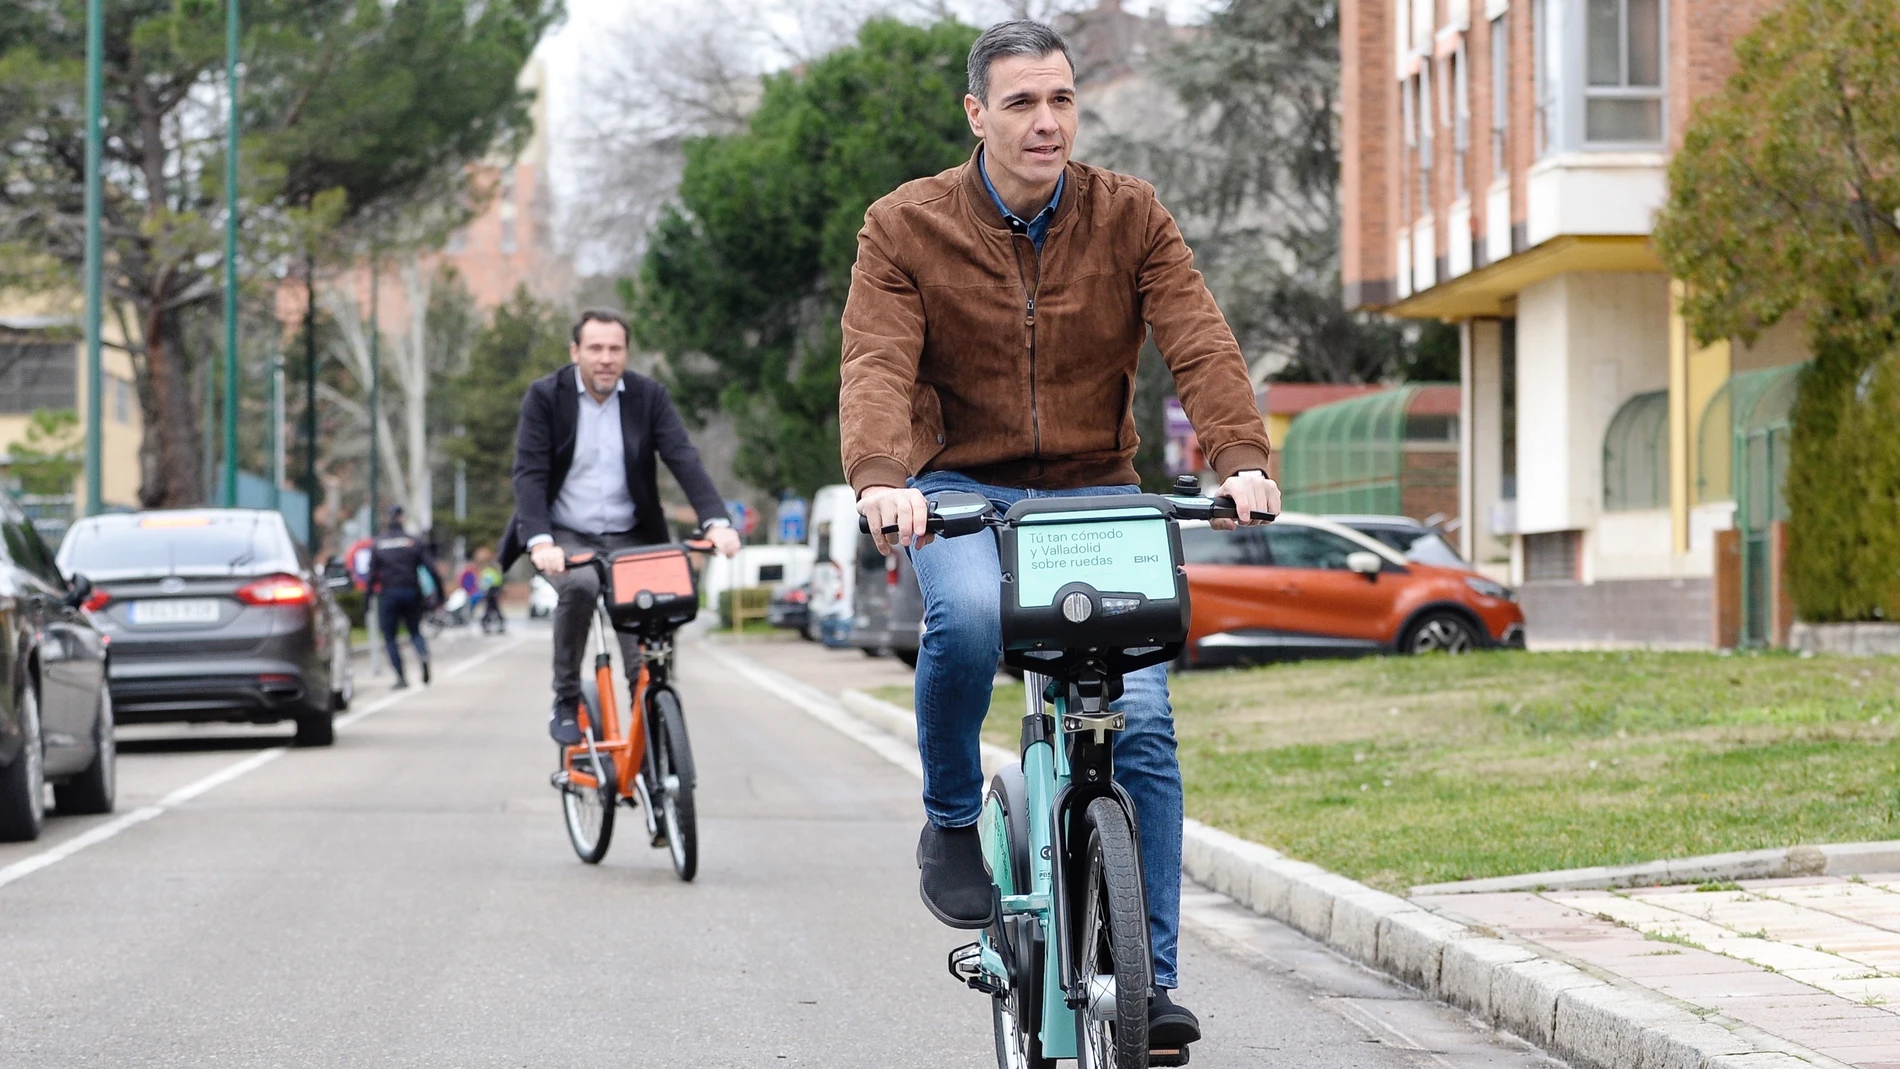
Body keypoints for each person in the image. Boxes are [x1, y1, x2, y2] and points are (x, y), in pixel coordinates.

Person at [838, 20, 1281, 1056]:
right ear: (976, 114)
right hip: (956, 489)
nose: (1047, 123)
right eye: (1024, 103)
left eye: (1062, 101)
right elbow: (876, 366)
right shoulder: (903, 227)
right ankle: (953, 815)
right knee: (968, 612)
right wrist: (881, 481)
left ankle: (1150, 979)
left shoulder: (1129, 214)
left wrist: (1239, 458)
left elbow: (1198, 336)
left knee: (1146, 722)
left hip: (1092, 491)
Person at [499, 309, 743, 744]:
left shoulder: (647, 397)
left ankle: (652, 722)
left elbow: (682, 458)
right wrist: (539, 541)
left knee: (648, 643)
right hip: (566, 533)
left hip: (633, 536)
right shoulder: (545, 397)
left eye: (615, 349)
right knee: (580, 587)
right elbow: (530, 473)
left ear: (626, 354)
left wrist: (716, 522)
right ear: (576, 352)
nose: (606, 358)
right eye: (595, 348)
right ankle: (567, 698)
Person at [367, 505, 444, 689]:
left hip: (389, 593)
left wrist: (366, 599)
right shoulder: (413, 541)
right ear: (402, 518)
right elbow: (432, 569)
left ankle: (401, 677)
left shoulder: (378, 543)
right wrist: (440, 595)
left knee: (390, 637)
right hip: (411, 591)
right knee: (415, 631)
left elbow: (371, 575)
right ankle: (423, 655)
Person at [476, 546, 506, 633]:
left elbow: (497, 581)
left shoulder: (489, 571)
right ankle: (488, 624)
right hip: (491, 593)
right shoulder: (490, 571)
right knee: (491, 610)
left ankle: (490, 625)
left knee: (491, 610)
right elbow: (485, 583)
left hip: (492, 592)